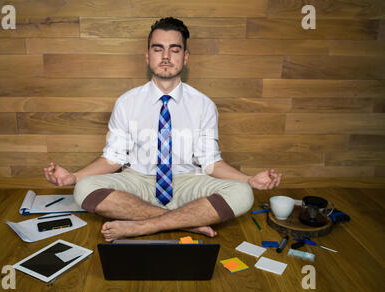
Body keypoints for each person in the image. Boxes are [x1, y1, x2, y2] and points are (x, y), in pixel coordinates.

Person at [43, 17, 282, 242]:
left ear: (185, 57)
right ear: (147, 56)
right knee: (84, 188)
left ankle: (146, 224)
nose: (166, 56)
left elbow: (211, 163)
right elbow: (113, 159)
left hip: (187, 182)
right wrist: (73, 177)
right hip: (138, 182)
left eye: (174, 49)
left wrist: (249, 180)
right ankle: (187, 223)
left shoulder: (204, 105)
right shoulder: (127, 102)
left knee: (243, 193)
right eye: (158, 49)